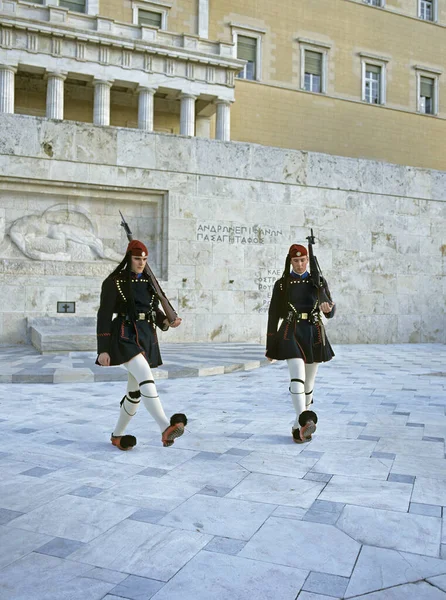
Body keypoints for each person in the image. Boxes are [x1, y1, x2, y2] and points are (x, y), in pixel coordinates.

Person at [96, 239, 187, 450]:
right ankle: (165, 426)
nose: (141, 263)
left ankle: (117, 436)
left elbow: (153, 310)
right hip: (123, 335)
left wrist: (166, 321)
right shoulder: (114, 281)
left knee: (134, 393)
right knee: (146, 376)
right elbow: (103, 315)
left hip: (146, 336)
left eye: (145, 259)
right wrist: (103, 349)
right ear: (129, 258)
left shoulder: (148, 282)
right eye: (137, 259)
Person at [266, 243, 335, 443]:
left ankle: (298, 426)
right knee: (297, 378)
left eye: (303, 260)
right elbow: (272, 316)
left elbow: (330, 310)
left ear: (307, 260)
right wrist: (270, 347)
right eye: (295, 261)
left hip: (314, 332)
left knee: (309, 384)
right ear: (290, 261)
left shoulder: (319, 282)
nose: (299, 264)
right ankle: (305, 419)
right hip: (291, 332)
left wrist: (328, 308)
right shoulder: (282, 284)